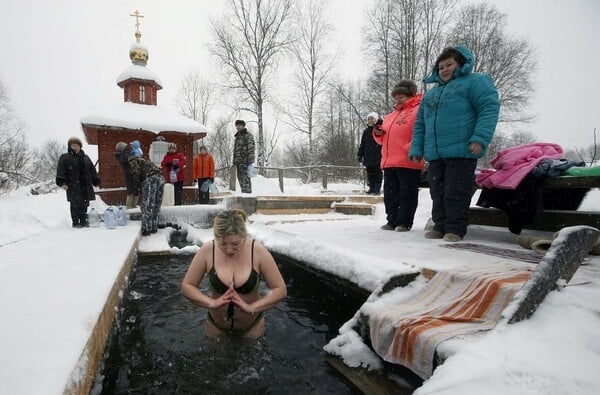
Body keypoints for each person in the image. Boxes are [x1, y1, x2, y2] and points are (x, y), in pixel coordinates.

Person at [409, 45, 500, 242]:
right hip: (435, 153)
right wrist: (417, 148)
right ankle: (440, 225)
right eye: (440, 67)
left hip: (461, 150)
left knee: (455, 191)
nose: (444, 69)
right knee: (437, 192)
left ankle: (455, 228)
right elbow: (420, 124)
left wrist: (479, 138)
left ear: (461, 64)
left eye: (449, 64)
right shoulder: (431, 94)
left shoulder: (475, 82)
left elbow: (488, 108)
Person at [181, 209, 287, 338]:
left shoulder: (257, 251)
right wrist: (211, 303)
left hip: (252, 327)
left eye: (235, 244)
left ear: (244, 236)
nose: (229, 249)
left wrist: (252, 307)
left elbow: (280, 289)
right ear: (216, 236)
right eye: (223, 244)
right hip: (216, 326)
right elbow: (187, 286)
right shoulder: (208, 250)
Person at [373, 80, 425, 232]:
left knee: (406, 194)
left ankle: (404, 222)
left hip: (408, 160)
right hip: (389, 161)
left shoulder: (418, 111)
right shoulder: (390, 116)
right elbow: (383, 138)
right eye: (396, 97)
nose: (398, 99)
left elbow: (421, 132)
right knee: (390, 195)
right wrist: (377, 133)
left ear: (411, 95)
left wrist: (411, 147)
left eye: (402, 96)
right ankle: (391, 221)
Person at [56, 137, 100, 228]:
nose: (75, 147)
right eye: (73, 145)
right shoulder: (65, 157)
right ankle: (75, 222)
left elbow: (92, 170)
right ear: (70, 147)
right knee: (75, 204)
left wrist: (95, 180)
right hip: (73, 185)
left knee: (84, 203)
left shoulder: (85, 157)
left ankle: (83, 221)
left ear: (80, 146)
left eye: (77, 145)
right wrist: (62, 182)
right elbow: (61, 170)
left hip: (85, 184)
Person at [128, 154, 165, 236]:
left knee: (147, 204)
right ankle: (154, 227)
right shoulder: (146, 161)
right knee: (156, 204)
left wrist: (136, 189)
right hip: (161, 178)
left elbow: (136, 176)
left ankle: (146, 228)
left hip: (150, 178)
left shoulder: (135, 162)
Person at [358, 112, 383, 195]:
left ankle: (377, 188)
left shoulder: (379, 129)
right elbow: (363, 143)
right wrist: (360, 154)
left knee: (377, 172)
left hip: (378, 155)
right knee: (370, 172)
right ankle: (371, 187)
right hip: (368, 155)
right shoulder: (366, 131)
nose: (370, 120)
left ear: (376, 119)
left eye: (372, 118)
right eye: (369, 119)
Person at [232, 120, 255, 194]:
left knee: (246, 180)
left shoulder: (248, 135)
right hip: (239, 163)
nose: (238, 127)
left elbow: (251, 148)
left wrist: (250, 160)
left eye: (239, 125)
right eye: (237, 125)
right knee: (241, 180)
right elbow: (236, 150)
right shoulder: (237, 137)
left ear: (243, 126)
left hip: (245, 162)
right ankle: (244, 196)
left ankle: (248, 197)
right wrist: (234, 161)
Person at [115, 142, 139, 208]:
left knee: (135, 192)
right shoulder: (124, 155)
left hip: (130, 175)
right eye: (125, 147)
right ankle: (130, 209)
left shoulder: (122, 155)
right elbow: (132, 160)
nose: (127, 147)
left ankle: (132, 209)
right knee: (132, 192)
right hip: (131, 175)